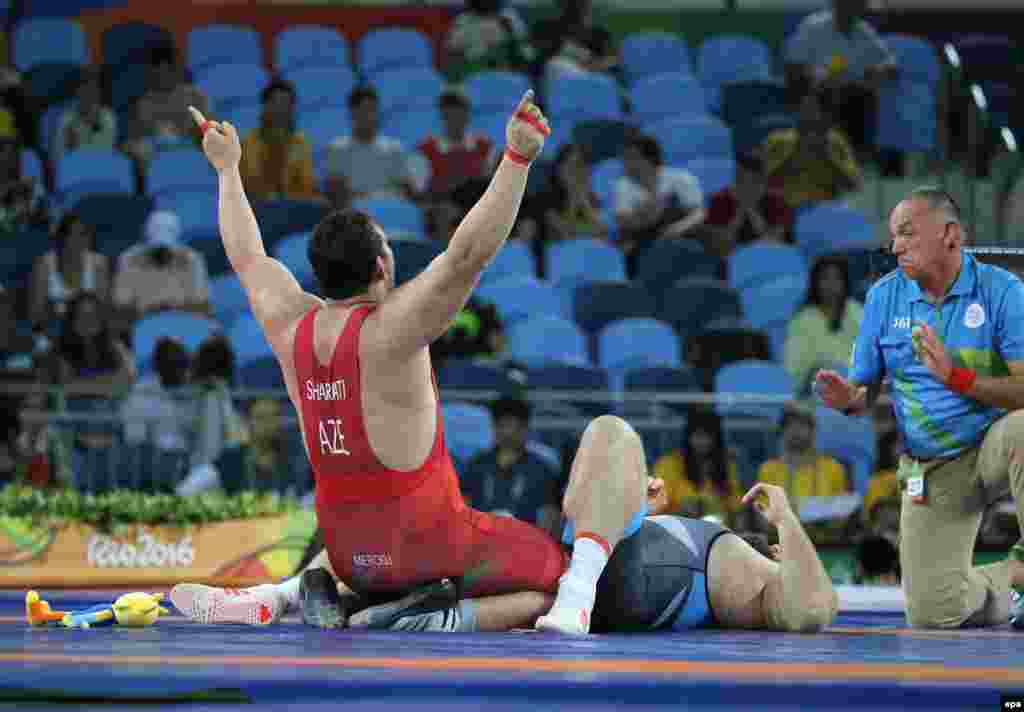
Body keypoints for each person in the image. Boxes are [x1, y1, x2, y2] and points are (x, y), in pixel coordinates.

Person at [172, 92, 649, 636]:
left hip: (348, 554)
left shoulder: (288, 326)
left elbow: (248, 257)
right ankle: (443, 618)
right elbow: (466, 255)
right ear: (381, 265)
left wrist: (228, 171)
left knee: (372, 531)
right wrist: (517, 160)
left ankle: (279, 595)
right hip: (430, 546)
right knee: (557, 578)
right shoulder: (392, 330)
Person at [816, 186, 1024, 629]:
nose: (896, 246)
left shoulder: (1002, 292)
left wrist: (958, 378)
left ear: (950, 235)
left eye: (907, 233)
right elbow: (864, 391)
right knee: (934, 614)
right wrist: (847, 399)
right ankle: (1010, 583)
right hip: (930, 468)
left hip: (995, 443)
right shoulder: (882, 298)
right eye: (893, 236)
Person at [373, 481, 838, 634]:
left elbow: (811, 611)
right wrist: (643, 511)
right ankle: (438, 612)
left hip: (658, 574)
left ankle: (400, 587)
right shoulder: (735, 558)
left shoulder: (761, 574)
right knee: (542, 592)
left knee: (544, 573)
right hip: (651, 573)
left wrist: (786, 520)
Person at [783, 0, 898, 157]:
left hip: (857, 93)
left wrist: (882, 69)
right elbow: (794, 65)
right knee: (839, 96)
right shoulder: (813, 26)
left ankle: (858, 160)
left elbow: (888, 63)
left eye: (857, 5)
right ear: (836, 4)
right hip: (818, 92)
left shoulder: (864, 31)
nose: (851, 8)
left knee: (865, 97)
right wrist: (816, 77)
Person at [460, 394, 561, 526]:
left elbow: (550, 517)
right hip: (481, 539)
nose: (508, 432)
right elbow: (462, 509)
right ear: (494, 427)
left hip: (525, 541)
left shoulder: (542, 470)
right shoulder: (476, 465)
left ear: (525, 429)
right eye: (503, 425)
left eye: (514, 426)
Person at [614, 132, 704, 276]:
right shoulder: (622, 185)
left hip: (680, 235)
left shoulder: (682, 178)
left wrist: (678, 228)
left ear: (647, 159)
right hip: (644, 239)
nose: (623, 162)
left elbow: (698, 214)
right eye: (624, 157)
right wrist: (648, 215)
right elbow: (623, 222)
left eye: (629, 157)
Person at [762, 92, 861, 211]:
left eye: (813, 109)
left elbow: (853, 184)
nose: (807, 114)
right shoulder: (777, 140)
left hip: (825, 211)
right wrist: (796, 153)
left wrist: (826, 157)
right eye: (803, 108)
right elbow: (763, 183)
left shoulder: (835, 141)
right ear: (796, 111)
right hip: (784, 211)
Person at [324, 86, 418, 210]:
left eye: (372, 110)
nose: (369, 116)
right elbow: (336, 193)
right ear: (352, 113)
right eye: (363, 110)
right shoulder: (337, 149)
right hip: (355, 214)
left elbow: (407, 191)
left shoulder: (394, 148)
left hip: (390, 211)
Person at [784, 255, 864, 394]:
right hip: (815, 391)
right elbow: (794, 367)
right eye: (825, 278)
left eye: (836, 278)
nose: (831, 284)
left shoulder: (858, 312)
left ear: (845, 282)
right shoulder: (802, 319)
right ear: (815, 283)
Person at [113, 210, 211, 321]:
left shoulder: (193, 260)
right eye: (156, 249)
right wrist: (150, 312)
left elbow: (203, 306)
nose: (161, 252)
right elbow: (121, 307)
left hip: (182, 323)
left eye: (165, 249)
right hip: (142, 323)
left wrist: (172, 310)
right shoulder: (128, 259)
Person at [651, 407, 743, 525]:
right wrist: (680, 509)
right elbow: (656, 506)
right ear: (688, 437)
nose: (703, 441)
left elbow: (737, 505)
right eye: (698, 435)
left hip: (718, 530)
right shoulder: (668, 464)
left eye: (708, 436)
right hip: (678, 528)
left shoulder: (726, 466)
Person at [122, 45, 208, 165]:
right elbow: (138, 138)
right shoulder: (144, 103)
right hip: (157, 157)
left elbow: (207, 131)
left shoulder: (196, 97)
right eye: (158, 72)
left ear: (175, 70)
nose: (163, 76)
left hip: (191, 151)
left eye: (167, 70)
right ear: (151, 73)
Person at [238, 79, 318, 202]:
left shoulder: (302, 144)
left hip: (293, 211)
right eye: (277, 103)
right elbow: (244, 188)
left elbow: (307, 188)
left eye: (287, 104)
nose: (282, 110)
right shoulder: (247, 143)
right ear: (265, 107)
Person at [29, 212, 112, 328]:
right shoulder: (44, 265)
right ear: (62, 239)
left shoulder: (99, 264)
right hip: (55, 331)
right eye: (75, 235)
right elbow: (35, 316)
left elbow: (104, 313)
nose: (83, 241)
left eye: (84, 234)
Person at [702, 153, 790, 256]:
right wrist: (740, 212)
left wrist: (751, 210)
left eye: (754, 181)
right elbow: (718, 246)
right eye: (740, 181)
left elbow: (774, 242)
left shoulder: (776, 201)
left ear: (764, 184)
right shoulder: (719, 200)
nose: (747, 187)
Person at [53, 69, 118, 161]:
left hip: (102, 169)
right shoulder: (66, 120)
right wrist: (70, 147)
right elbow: (59, 156)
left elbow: (108, 152)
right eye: (84, 88)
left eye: (93, 89)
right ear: (77, 92)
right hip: (73, 170)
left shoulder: (108, 117)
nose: (89, 94)